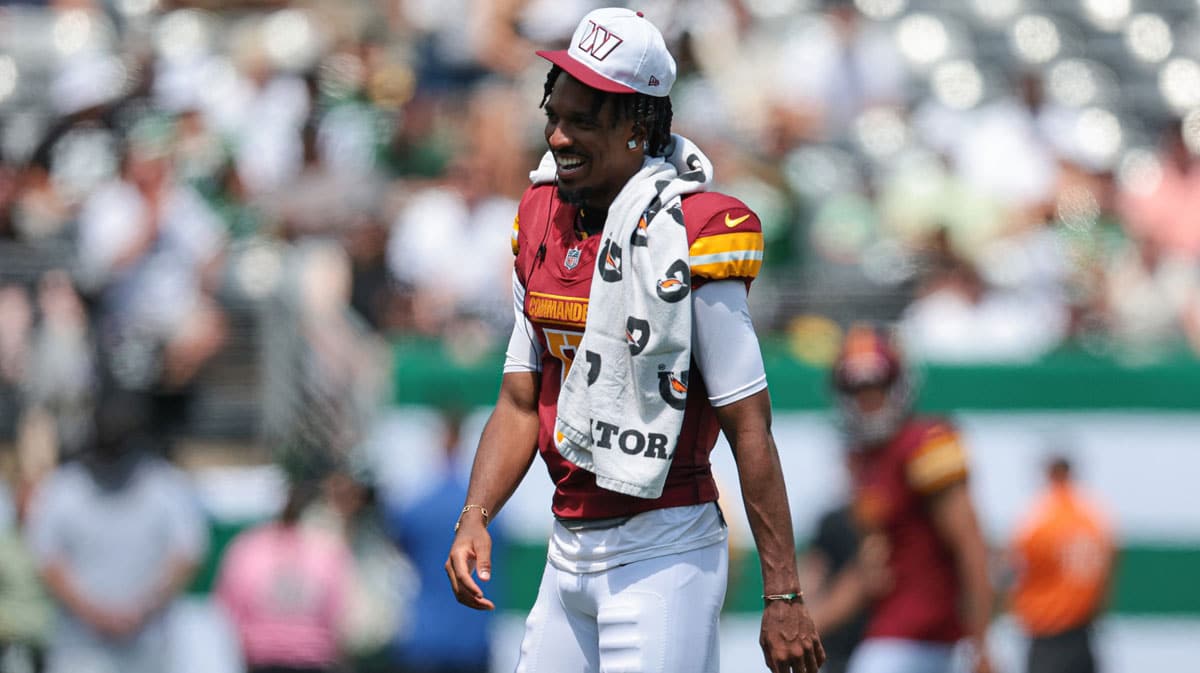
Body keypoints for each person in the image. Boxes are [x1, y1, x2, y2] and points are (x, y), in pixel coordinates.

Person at [444, 8, 824, 673]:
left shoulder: (697, 232)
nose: (558, 136)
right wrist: (475, 513)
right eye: (554, 115)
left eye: (582, 120)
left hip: (663, 549)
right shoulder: (540, 214)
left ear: (638, 126)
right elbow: (517, 395)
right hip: (569, 545)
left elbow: (749, 423)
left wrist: (783, 590)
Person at [830, 324, 995, 673]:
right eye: (857, 388)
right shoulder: (866, 461)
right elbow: (871, 568)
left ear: (898, 385)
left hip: (927, 636)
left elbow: (972, 547)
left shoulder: (925, 445)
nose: (868, 399)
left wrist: (981, 646)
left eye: (877, 386)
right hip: (893, 629)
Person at [25, 389, 208, 673]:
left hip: (147, 648)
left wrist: (141, 610)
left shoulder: (165, 486)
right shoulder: (63, 489)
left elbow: (186, 556)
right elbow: (47, 560)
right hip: (79, 650)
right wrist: (95, 614)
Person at [390, 410, 497, 673]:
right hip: (473, 636)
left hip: (425, 636)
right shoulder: (489, 513)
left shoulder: (417, 508)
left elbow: (400, 546)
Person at [215, 481, 353, 673]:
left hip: (260, 657)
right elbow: (338, 612)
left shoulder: (248, 546)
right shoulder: (327, 549)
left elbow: (228, 606)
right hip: (312, 658)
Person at [1009, 456, 1114, 673]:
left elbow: (1016, 569)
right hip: (1083, 632)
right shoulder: (1093, 517)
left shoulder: (1040, 518)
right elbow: (1107, 572)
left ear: (1049, 475)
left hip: (1048, 633)